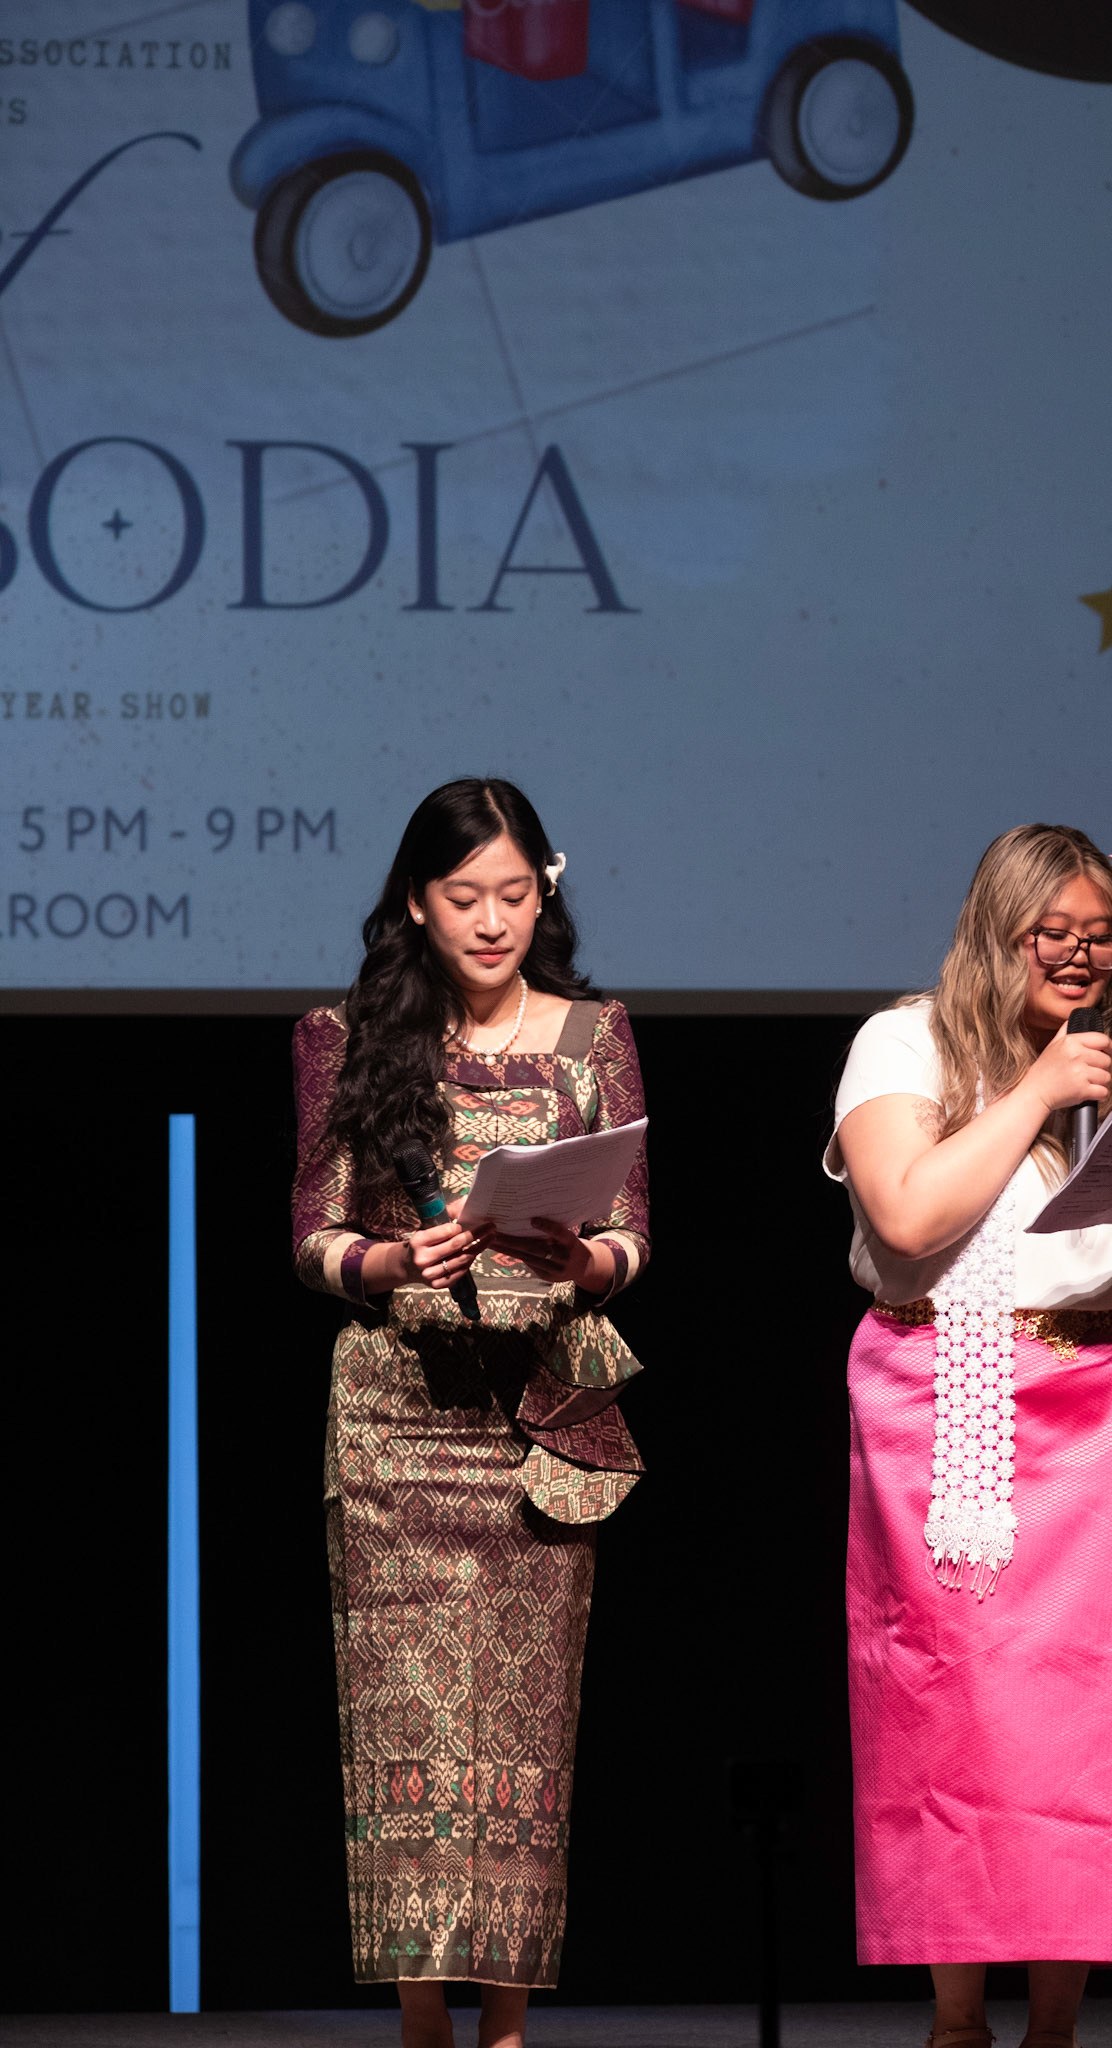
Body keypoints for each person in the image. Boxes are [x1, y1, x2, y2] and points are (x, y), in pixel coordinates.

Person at [824, 824, 1112, 2048]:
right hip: (939, 1401)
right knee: (944, 1701)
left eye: (1097, 938)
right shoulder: (904, 1043)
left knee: (1075, 1722)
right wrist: (1037, 1090)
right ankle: (956, 2017)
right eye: (1048, 933)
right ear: (992, 930)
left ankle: (1054, 2023)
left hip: (1093, 1407)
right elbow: (905, 1220)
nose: (1075, 956)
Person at [291, 778, 649, 2048]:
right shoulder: (343, 1034)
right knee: (405, 1740)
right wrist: (390, 1261)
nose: (491, 921)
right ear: (415, 903)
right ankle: (422, 2025)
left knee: (521, 1741)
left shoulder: (594, 1034)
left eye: (512, 894)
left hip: (534, 1418)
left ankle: (504, 2029)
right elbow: (312, 1234)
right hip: (397, 1424)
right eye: (463, 897)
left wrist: (582, 1259)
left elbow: (633, 1233)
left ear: (541, 894)